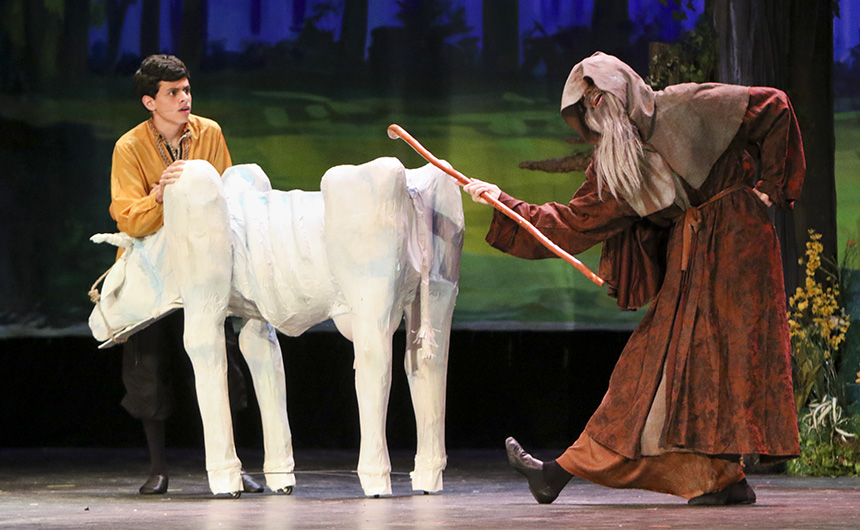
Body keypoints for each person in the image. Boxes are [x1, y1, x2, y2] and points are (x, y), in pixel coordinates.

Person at [464, 52, 804, 505]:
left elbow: (775, 106)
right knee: (653, 368)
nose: (596, 108)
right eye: (586, 106)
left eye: (599, 95)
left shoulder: (686, 104)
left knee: (723, 363)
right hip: (692, 256)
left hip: (740, 246)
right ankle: (713, 479)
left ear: (622, 88)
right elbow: (570, 223)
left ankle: (718, 478)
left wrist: (771, 189)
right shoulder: (616, 166)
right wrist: (502, 202)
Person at [109, 54, 264, 495]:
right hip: (153, 269)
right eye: (173, 92)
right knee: (149, 367)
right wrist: (161, 195)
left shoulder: (209, 133)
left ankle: (230, 463)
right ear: (149, 102)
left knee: (223, 362)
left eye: (187, 90)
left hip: (204, 265)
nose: (184, 99)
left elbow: (229, 196)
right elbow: (128, 219)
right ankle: (158, 466)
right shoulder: (129, 147)